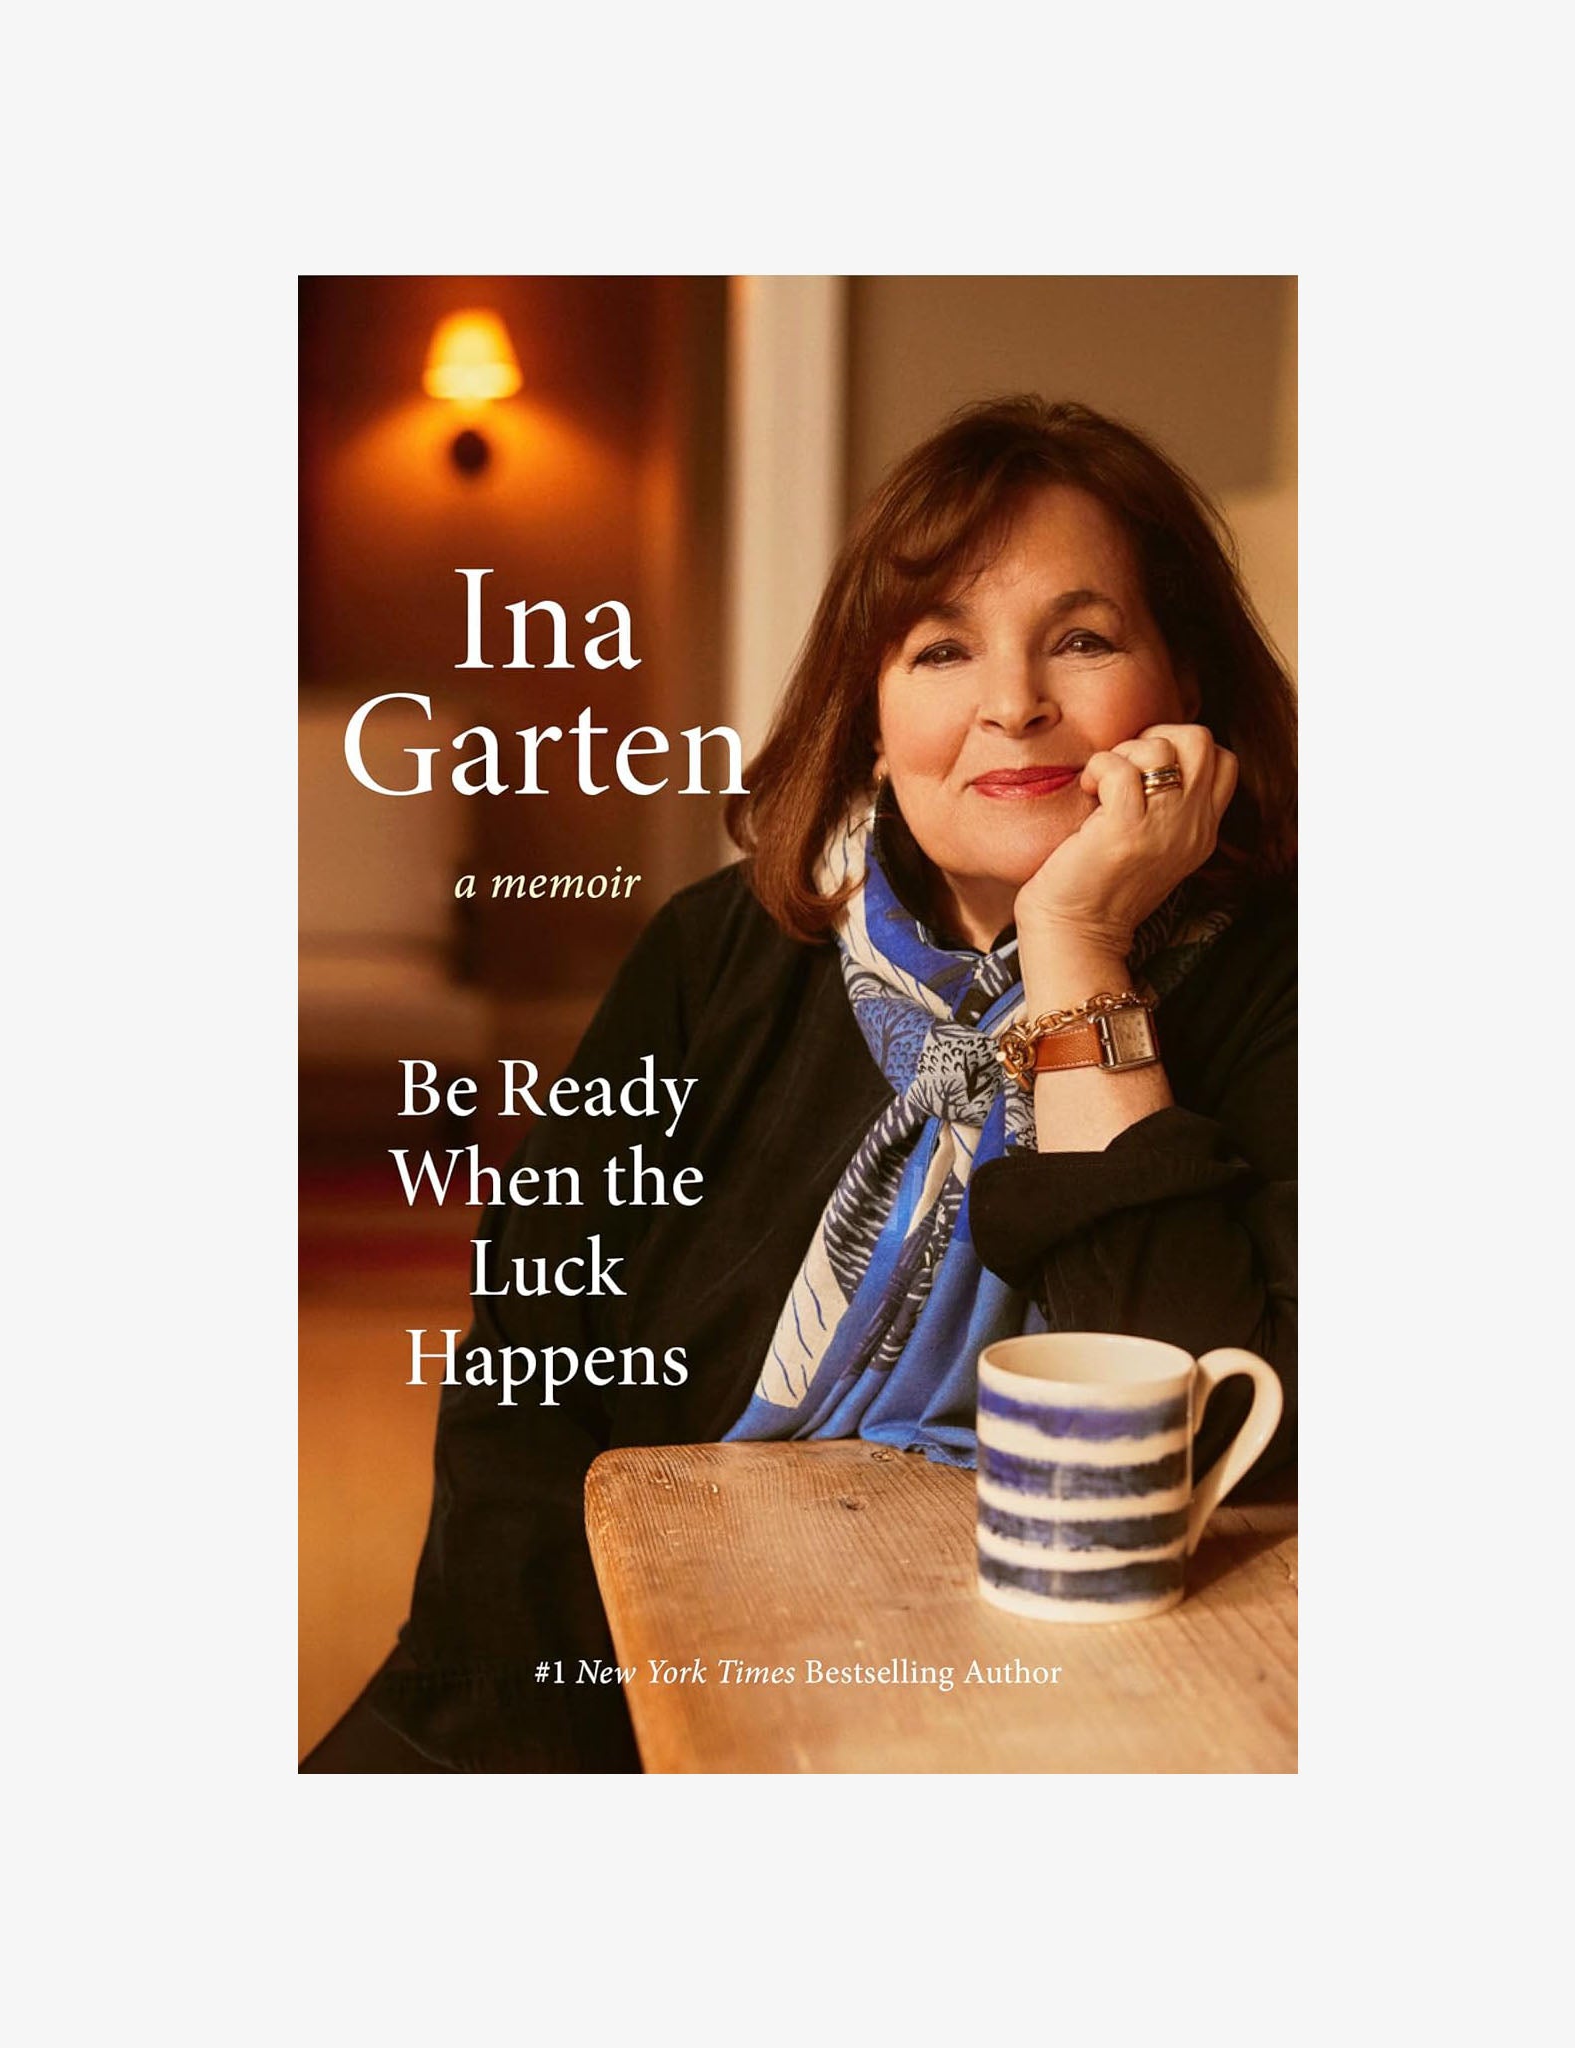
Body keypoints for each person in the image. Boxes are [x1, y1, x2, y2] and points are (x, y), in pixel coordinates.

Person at [301, 396, 1296, 1773]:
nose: (1013, 702)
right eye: (943, 648)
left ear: (1183, 684)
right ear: (874, 720)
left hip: (1085, 1704)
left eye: (1082, 637)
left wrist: (1079, 955)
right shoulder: (715, 958)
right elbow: (532, 1368)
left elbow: (1202, 1448)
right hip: (614, 1670)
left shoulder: (1289, 986)